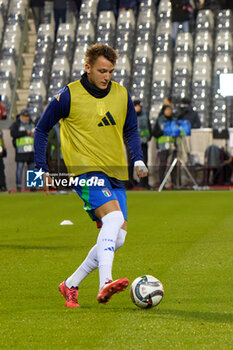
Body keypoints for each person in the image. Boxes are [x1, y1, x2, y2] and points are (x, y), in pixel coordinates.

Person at [34, 44, 148, 308]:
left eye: (110, 71)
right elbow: (41, 130)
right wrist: (42, 169)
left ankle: (70, 284)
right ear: (87, 68)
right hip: (84, 170)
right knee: (114, 217)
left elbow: (130, 129)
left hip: (115, 171)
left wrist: (138, 158)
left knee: (117, 237)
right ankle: (104, 281)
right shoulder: (68, 95)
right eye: (101, 70)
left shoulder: (121, 94)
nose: (106, 76)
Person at [10, 108, 35, 192]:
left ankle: (33, 187)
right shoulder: (16, 124)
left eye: (28, 116)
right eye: (25, 116)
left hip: (31, 150)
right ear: (21, 116)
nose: (27, 118)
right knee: (19, 169)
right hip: (21, 151)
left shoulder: (33, 123)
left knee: (32, 169)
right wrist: (26, 132)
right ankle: (19, 186)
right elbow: (13, 134)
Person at [153, 104, 177, 187]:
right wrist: (164, 131)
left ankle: (174, 183)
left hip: (173, 145)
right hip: (163, 146)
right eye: (167, 110)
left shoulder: (174, 120)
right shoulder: (160, 120)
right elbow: (155, 133)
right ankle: (161, 183)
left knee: (173, 165)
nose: (169, 112)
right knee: (163, 164)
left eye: (170, 110)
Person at [133, 99, 151, 189]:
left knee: (144, 162)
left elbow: (149, 127)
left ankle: (144, 182)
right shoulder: (130, 115)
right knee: (133, 163)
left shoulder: (145, 115)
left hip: (143, 142)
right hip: (133, 144)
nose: (138, 108)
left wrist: (149, 137)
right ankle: (133, 182)